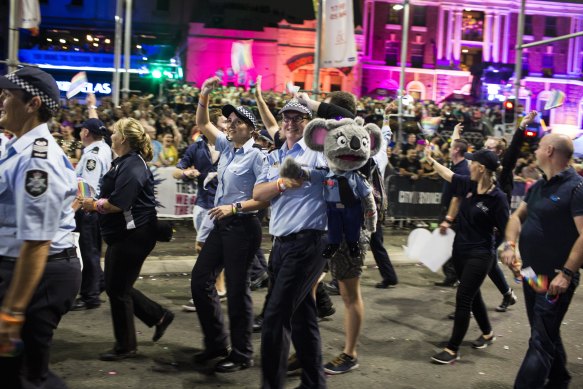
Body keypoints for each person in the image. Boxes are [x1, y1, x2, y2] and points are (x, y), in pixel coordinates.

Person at [0, 66, 82, 388]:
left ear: (32, 104)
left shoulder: (37, 159)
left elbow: (36, 242)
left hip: (39, 275)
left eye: (8, 95)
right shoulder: (15, 149)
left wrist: (12, 311)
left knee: (25, 377)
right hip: (23, 268)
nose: (1, 101)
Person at [80, 118, 174, 361]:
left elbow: (118, 204)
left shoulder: (132, 166)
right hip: (126, 234)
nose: (111, 135)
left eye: (115, 132)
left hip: (134, 235)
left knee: (116, 289)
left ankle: (126, 346)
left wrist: (94, 204)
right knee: (117, 287)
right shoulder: (123, 162)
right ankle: (158, 316)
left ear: (123, 138)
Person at [191, 76, 267, 373]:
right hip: (222, 226)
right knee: (200, 281)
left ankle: (242, 353)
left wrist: (233, 207)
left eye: (236, 121)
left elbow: (263, 200)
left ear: (250, 129)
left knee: (237, 291)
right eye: (229, 120)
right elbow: (203, 123)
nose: (229, 124)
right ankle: (215, 344)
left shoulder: (257, 156)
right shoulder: (227, 148)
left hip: (243, 227)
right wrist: (204, 95)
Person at [253, 97, 328, 388]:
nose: (290, 122)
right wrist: (283, 183)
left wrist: (307, 176)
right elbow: (259, 193)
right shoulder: (274, 156)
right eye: (286, 117)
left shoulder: (318, 153)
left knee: (274, 318)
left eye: (297, 118)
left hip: (309, 242)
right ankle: (314, 382)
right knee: (301, 316)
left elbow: (335, 177)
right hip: (281, 245)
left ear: (307, 123)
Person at [501, 133, 583, 389]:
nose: (534, 151)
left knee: (540, 337)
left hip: (556, 277)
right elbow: (516, 217)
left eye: (538, 147)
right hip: (530, 273)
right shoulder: (538, 185)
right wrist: (509, 244)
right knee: (543, 329)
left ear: (549, 151)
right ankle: (559, 378)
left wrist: (567, 273)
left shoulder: (576, 187)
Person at [425, 146, 509, 364]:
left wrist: (509, 248)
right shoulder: (469, 184)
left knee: (463, 298)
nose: (468, 165)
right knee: (473, 297)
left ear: (481, 168)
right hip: (460, 251)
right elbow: (448, 174)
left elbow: (507, 229)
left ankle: (452, 349)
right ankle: (488, 333)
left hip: (480, 254)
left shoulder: (497, 198)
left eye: (472, 163)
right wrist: (431, 160)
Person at [72, 118, 112, 311]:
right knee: (93, 250)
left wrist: (73, 209)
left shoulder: (92, 156)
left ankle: (90, 296)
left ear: (86, 132)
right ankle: (100, 282)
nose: (80, 133)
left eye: (82, 130)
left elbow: (86, 189)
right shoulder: (103, 148)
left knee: (88, 252)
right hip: (97, 208)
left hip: (88, 209)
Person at [434, 137, 470, 287]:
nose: (448, 150)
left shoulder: (462, 169)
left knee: (450, 245)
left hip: (453, 214)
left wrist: (448, 219)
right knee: (447, 245)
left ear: (456, 150)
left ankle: (454, 276)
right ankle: (453, 275)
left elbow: (458, 198)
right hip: (448, 210)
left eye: (451, 148)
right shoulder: (455, 165)